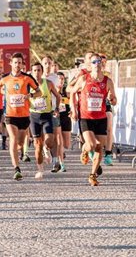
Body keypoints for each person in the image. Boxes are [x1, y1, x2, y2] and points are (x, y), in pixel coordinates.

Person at [0, 53, 41, 181]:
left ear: (22, 64)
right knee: (13, 139)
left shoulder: (27, 78)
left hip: (24, 115)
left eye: (20, 62)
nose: (17, 65)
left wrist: (30, 96)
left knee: (19, 143)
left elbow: (38, 91)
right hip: (10, 114)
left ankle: (19, 154)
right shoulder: (5, 78)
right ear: (11, 64)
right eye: (15, 62)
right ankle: (16, 169)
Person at [69, 53, 117, 186]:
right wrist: (73, 109)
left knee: (99, 148)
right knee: (90, 145)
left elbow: (114, 100)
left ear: (102, 64)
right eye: (94, 62)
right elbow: (72, 92)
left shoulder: (107, 81)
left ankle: (93, 175)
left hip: (100, 118)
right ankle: (85, 150)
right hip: (86, 117)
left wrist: (112, 99)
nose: (97, 64)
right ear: (90, 65)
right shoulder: (84, 78)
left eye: (99, 61)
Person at [29, 62, 62, 179]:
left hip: (47, 115)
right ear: (31, 72)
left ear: (42, 72)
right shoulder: (28, 85)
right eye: (34, 70)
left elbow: (58, 96)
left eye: (39, 70)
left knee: (49, 140)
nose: (37, 73)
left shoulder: (48, 84)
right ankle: (40, 170)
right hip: (34, 117)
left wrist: (57, 108)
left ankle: (46, 148)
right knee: (37, 145)